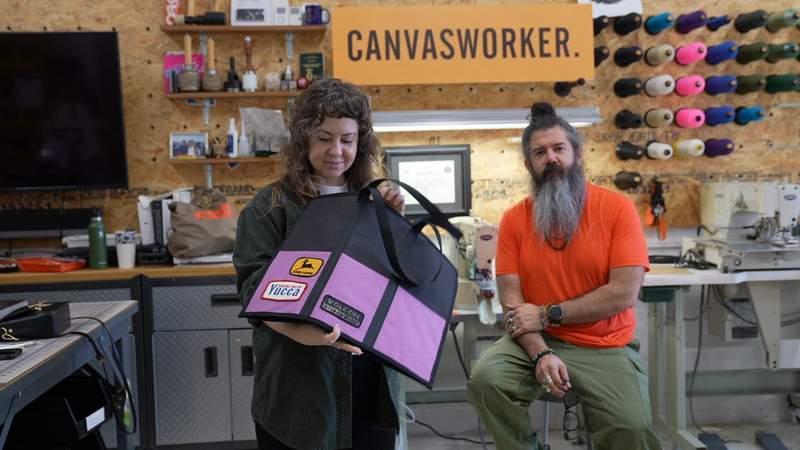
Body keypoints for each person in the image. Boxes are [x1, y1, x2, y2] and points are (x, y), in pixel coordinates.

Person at [467, 102, 662, 450]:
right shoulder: (514, 219)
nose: (551, 158)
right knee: (486, 380)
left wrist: (547, 313)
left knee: (630, 428)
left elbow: (622, 294)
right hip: (535, 341)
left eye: (559, 149)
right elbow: (512, 300)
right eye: (540, 153)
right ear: (529, 164)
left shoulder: (617, 210)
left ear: (577, 154)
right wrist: (540, 353)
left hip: (604, 345)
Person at [234, 78, 405, 450]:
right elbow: (254, 290)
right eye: (324, 137)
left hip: (368, 381)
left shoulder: (372, 200)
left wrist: (396, 228)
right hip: (300, 391)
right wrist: (299, 332)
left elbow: (395, 283)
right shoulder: (271, 207)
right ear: (303, 139)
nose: (336, 151)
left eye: (347, 139)